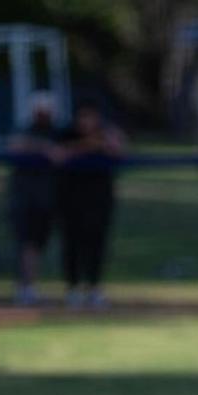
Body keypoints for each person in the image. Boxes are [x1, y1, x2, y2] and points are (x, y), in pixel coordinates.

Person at [57, 98, 126, 310]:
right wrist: (90, 144)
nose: (87, 121)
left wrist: (110, 138)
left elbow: (119, 149)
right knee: (73, 244)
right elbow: (58, 153)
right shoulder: (66, 134)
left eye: (91, 116)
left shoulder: (106, 134)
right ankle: (73, 289)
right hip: (71, 199)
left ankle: (94, 288)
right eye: (83, 116)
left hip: (99, 200)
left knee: (97, 244)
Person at [8, 91, 63, 306]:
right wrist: (44, 148)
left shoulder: (59, 133)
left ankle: (31, 285)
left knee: (39, 242)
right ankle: (25, 287)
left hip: (48, 197)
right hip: (25, 197)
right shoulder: (25, 131)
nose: (44, 114)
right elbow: (15, 145)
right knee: (25, 241)